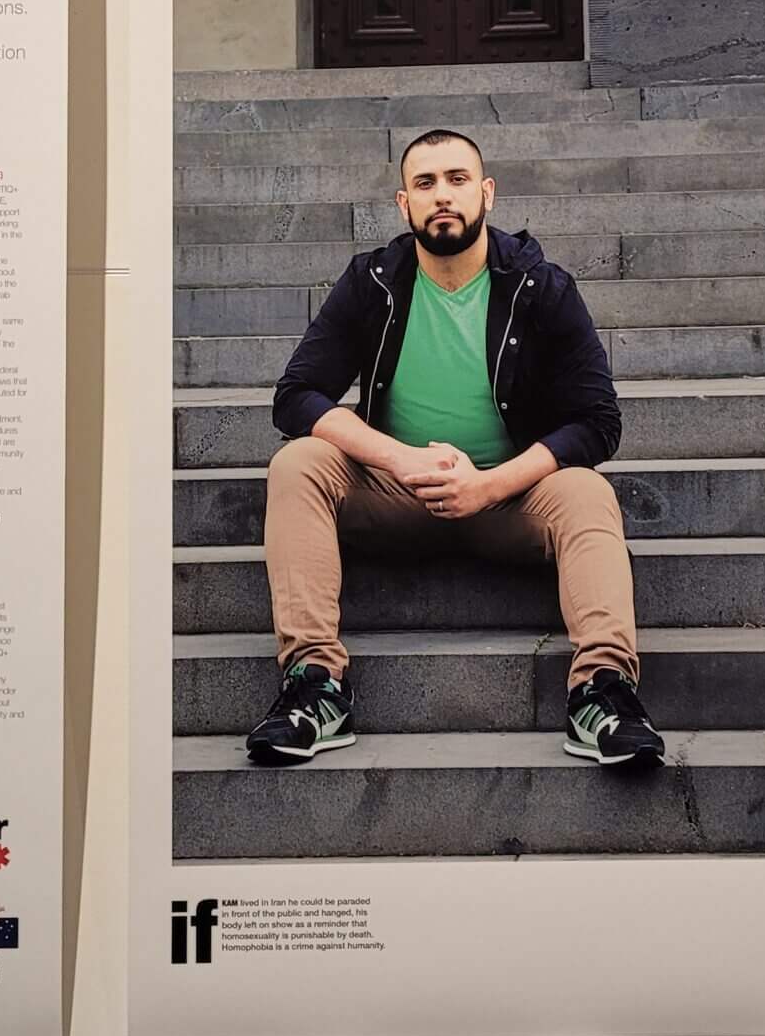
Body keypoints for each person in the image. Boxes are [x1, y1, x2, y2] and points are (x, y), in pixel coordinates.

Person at [244, 128, 663, 770]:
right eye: (425, 183)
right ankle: (315, 687)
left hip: (508, 500)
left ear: (487, 194)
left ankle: (601, 694)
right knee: (298, 462)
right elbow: (296, 396)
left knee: (587, 491)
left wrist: (491, 485)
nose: (443, 195)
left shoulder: (540, 287)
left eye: (458, 179)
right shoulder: (373, 283)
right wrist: (398, 458)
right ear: (403, 204)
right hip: (393, 495)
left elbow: (597, 422)